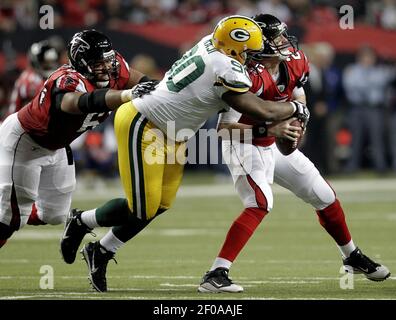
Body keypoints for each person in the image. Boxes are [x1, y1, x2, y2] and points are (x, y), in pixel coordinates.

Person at [60, 15, 310, 292]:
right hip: (146, 122)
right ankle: (82, 220)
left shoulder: (212, 45)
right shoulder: (225, 66)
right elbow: (262, 110)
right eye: (249, 53)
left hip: (175, 131)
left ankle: (102, 250)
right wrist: (297, 108)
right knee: (143, 207)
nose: (253, 59)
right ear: (233, 49)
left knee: (161, 204)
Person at [197, 14, 391, 293]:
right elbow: (224, 130)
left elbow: (298, 99)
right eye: (277, 38)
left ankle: (351, 255)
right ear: (259, 44)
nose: (284, 41)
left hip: (272, 141)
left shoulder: (295, 61)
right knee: (260, 203)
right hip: (244, 143)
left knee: (324, 196)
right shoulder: (243, 74)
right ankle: (216, 273)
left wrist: (296, 125)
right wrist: (271, 131)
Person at [0, 29, 153, 249]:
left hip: (58, 146)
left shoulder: (115, 67)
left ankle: (14, 210)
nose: (107, 66)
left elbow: (141, 80)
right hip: (25, 142)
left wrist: (155, 88)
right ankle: (9, 212)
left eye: (107, 60)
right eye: (99, 62)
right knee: (10, 220)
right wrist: (126, 95)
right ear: (82, 62)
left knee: (54, 214)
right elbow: (78, 102)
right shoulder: (66, 79)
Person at [8, 39, 62, 116]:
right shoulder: (27, 80)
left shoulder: (58, 77)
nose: (50, 65)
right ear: (36, 62)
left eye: (52, 62)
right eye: (46, 63)